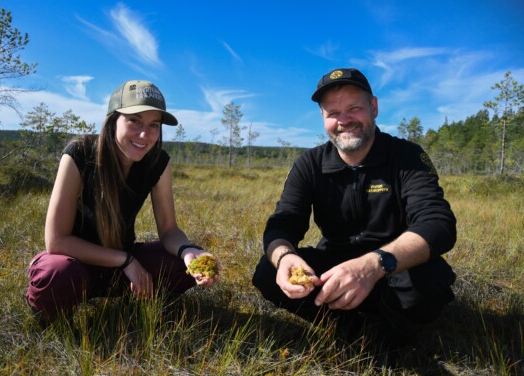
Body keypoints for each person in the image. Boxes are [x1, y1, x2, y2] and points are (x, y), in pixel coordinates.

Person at [252, 68, 456, 346]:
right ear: (323, 118)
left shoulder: (406, 156)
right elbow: (283, 223)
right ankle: (347, 328)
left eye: (354, 108)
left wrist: (371, 266)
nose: (343, 120)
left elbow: (437, 224)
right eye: (332, 112)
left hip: (393, 268)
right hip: (335, 265)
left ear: (373, 107)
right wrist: (285, 257)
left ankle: (391, 335)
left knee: (427, 284)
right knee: (268, 270)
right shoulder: (310, 164)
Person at [25, 80, 220, 322]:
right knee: (57, 275)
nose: (144, 135)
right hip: (77, 262)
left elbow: (169, 230)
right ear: (113, 120)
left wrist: (187, 251)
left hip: (122, 266)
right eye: (134, 121)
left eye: (153, 125)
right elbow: (56, 240)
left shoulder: (158, 162)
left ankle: (137, 297)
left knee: (186, 264)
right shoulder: (79, 154)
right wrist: (125, 260)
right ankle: (51, 307)